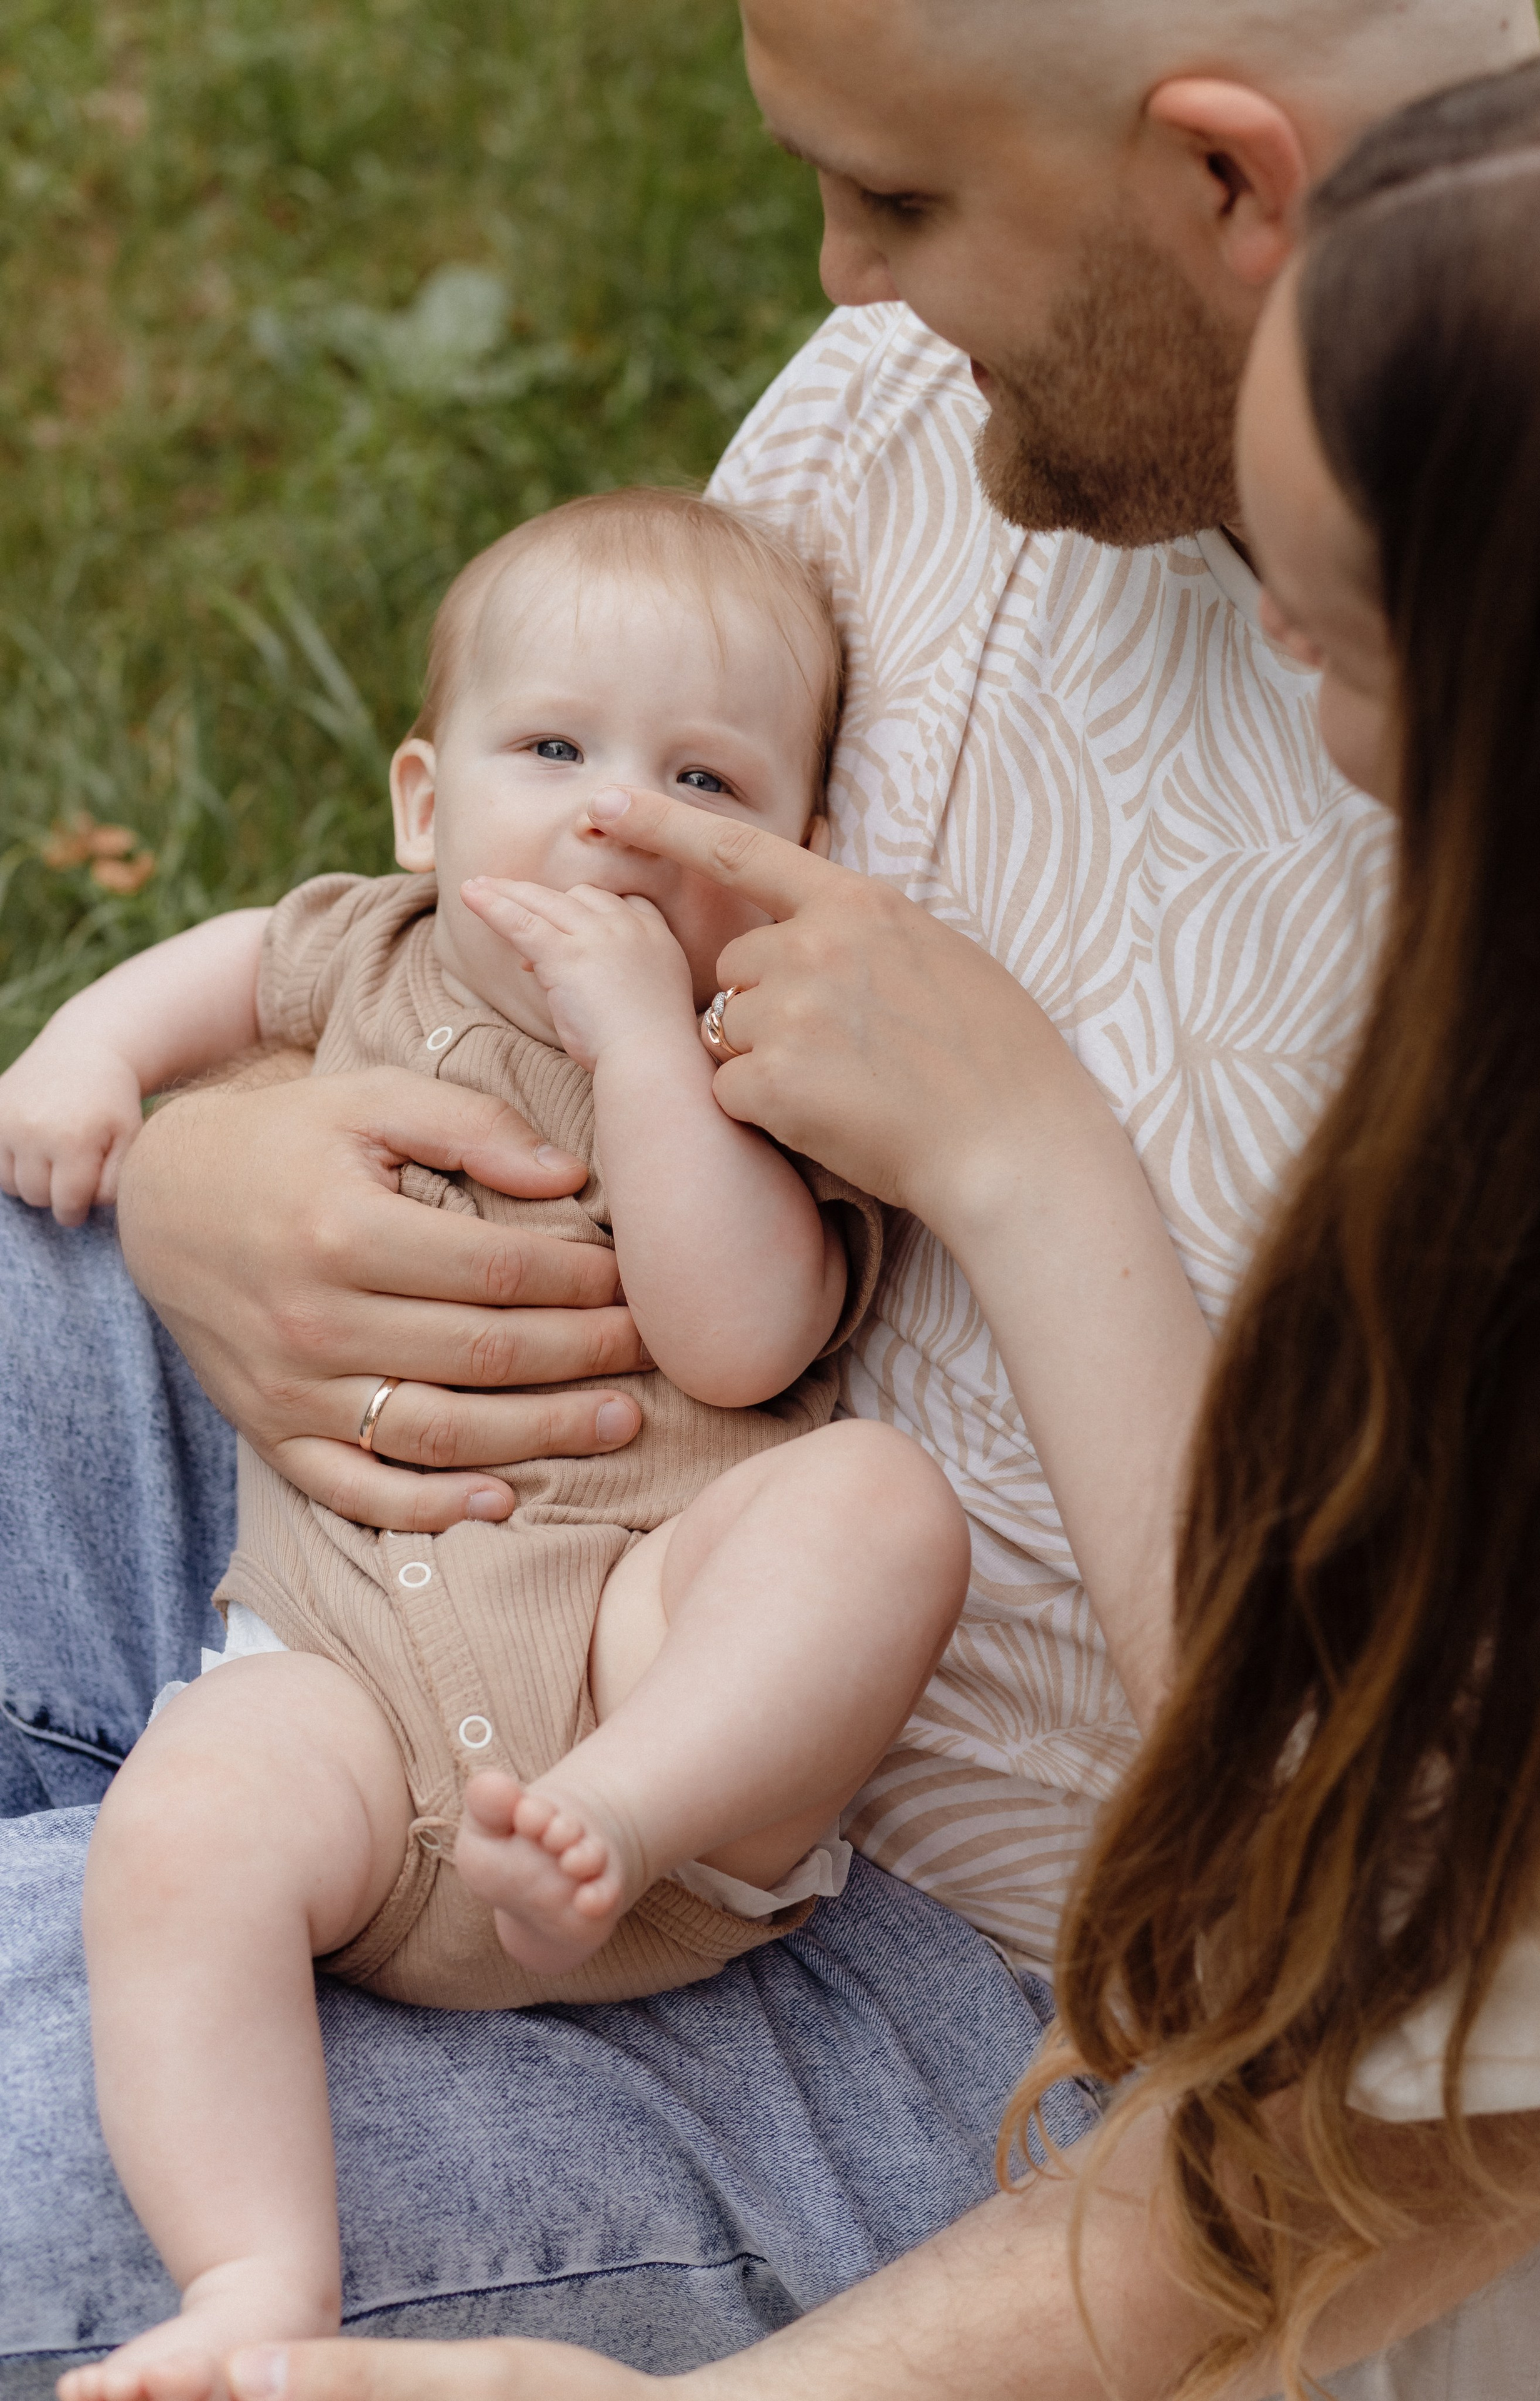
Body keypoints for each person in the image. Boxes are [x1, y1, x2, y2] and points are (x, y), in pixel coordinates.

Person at [0, 0, 1540, 2383]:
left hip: (885, 1933)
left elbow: (1432, 2056)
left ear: (1229, 184)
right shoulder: (954, 395)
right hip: (411, 1480)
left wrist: (1023, 1156)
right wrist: (223, 1176)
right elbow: (482, 864)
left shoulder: (1484, 745)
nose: (837, 279)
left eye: (908, 201)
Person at [0, 489, 981, 2392]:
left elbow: (741, 1331)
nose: (615, 814)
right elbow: (215, 967)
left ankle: (625, 1811)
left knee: (872, 1506)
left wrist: (640, 1057)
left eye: (701, 780)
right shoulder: (365, 954)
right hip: (344, 1693)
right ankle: (258, 2278)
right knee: (184, 1833)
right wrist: (87, 1063)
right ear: (425, 807)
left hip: (643, 1678)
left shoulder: (751, 1062)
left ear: (796, 853)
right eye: (555, 751)